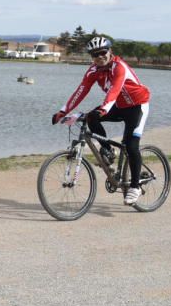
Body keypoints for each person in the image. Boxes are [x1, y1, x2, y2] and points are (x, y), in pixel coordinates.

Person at [52, 36, 150, 206]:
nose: (99, 57)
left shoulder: (120, 67)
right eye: (95, 54)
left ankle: (135, 186)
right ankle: (108, 151)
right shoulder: (93, 71)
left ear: (110, 51)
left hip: (137, 106)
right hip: (119, 105)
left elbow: (115, 89)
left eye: (103, 52)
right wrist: (63, 111)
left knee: (132, 145)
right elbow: (80, 91)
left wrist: (104, 109)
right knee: (91, 117)